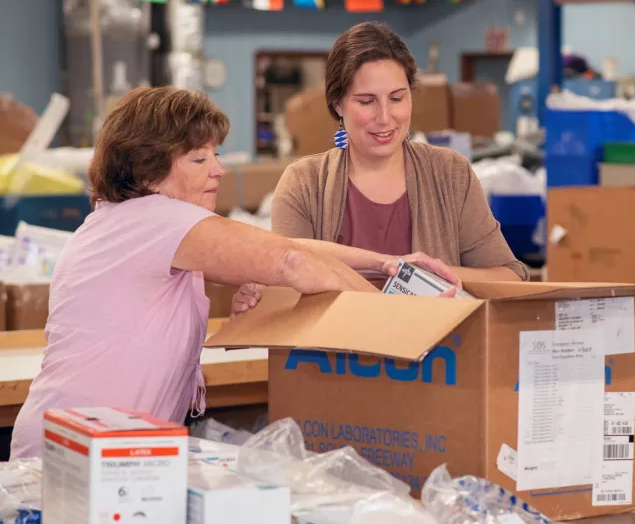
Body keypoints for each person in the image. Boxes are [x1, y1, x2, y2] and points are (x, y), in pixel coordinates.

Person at [9, 87, 459, 458]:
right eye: (199, 159)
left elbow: (286, 247)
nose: (219, 170)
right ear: (149, 172)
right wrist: (395, 318)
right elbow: (291, 263)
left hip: (98, 449)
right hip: (72, 456)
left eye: (215, 155)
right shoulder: (153, 220)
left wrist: (385, 263)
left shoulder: (130, 224)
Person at [232, 23, 525, 315]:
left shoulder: (450, 173)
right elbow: (288, 286)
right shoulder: (305, 184)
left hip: (438, 356)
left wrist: (437, 274)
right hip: (337, 359)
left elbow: (511, 276)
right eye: (366, 101)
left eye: (397, 98)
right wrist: (258, 300)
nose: (385, 117)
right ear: (337, 104)